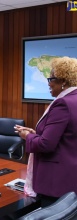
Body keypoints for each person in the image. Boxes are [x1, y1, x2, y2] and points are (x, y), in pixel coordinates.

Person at [14, 56, 77, 207]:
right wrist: (36, 133)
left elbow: (45, 145)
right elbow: (67, 137)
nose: (48, 83)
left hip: (56, 181)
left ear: (63, 81)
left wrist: (27, 136)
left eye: (51, 78)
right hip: (71, 177)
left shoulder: (62, 103)